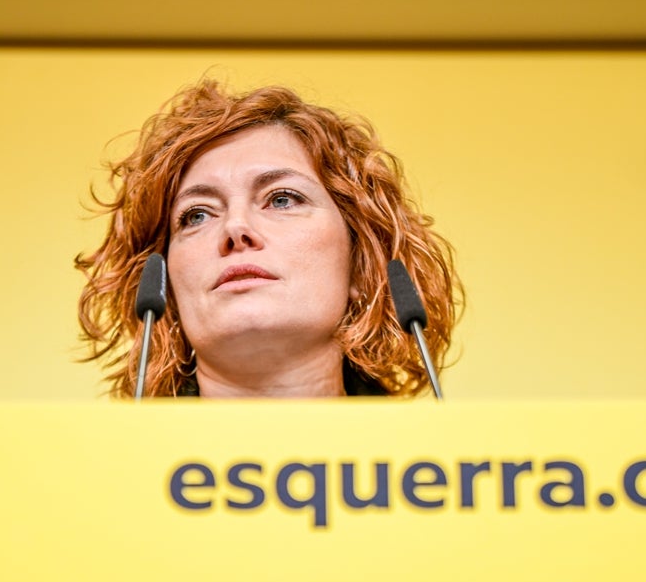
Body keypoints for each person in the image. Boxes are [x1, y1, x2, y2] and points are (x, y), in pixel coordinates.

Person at [76, 79, 462, 398]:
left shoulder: (438, 479)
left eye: (281, 199)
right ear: (166, 293)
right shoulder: (99, 481)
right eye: (196, 215)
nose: (234, 228)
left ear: (362, 269)